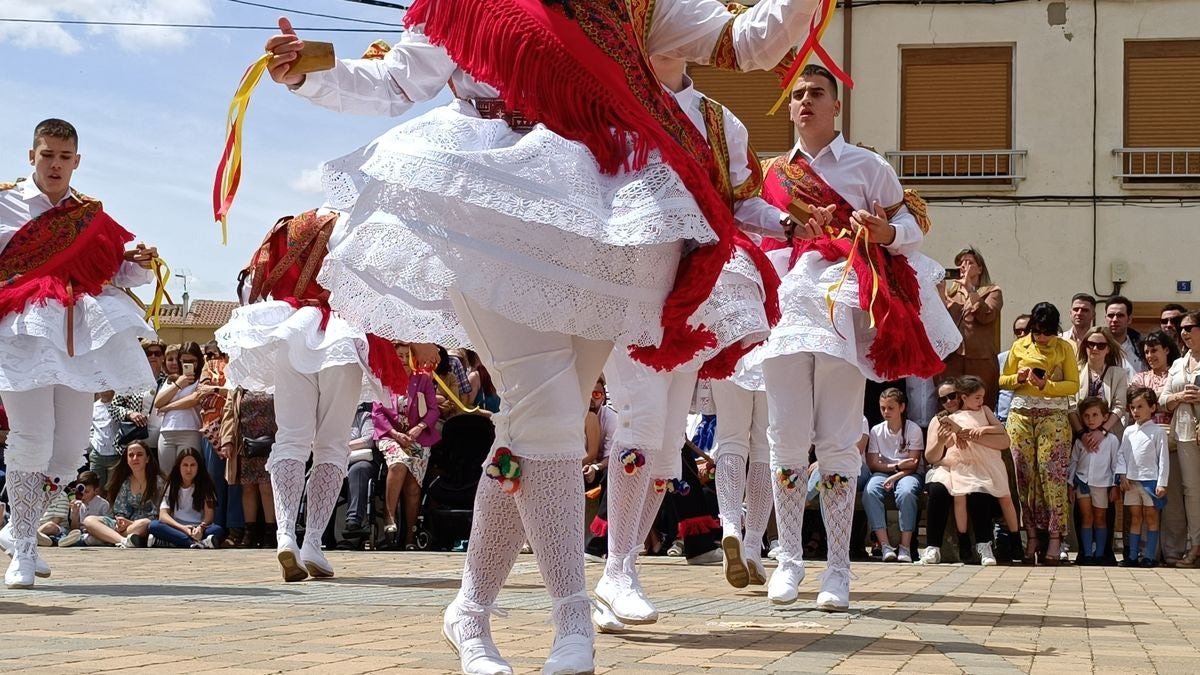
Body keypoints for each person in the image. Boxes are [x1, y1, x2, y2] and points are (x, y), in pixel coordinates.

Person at [264, 2, 824, 670]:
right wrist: (308, 75)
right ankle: (571, 623)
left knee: (528, 430)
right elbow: (395, 82)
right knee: (549, 412)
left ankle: (469, 611)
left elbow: (745, 42)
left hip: (598, 206)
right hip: (485, 192)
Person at [748, 63, 958, 609]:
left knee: (839, 435)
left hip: (843, 301)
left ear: (836, 106)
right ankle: (788, 559)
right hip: (787, 303)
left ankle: (838, 570)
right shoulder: (771, 173)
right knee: (785, 435)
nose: (806, 102)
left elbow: (910, 229)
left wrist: (886, 231)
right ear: (789, 107)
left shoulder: (869, 166)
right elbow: (749, 230)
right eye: (797, 95)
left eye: (817, 93)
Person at [593, 53, 780, 631]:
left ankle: (617, 572)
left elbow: (740, 201)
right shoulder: (612, 99)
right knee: (642, 423)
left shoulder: (720, 121)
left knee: (668, 443)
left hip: (693, 287)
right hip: (629, 282)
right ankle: (617, 571)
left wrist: (792, 223)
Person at [0, 119, 158, 587]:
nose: (55, 165)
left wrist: (139, 261)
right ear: (32, 155)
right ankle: (25, 547)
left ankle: (17, 526)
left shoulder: (89, 216)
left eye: (65, 158)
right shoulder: (4, 203)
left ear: (77, 162)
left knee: (69, 449)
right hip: (21, 331)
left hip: (73, 334)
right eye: (48, 155)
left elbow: (114, 271)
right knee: (32, 435)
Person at [215, 207, 408, 582]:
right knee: (332, 444)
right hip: (342, 337)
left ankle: (286, 533)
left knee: (290, 439)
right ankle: (314, 542)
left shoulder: (290, 226)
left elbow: (251, 284)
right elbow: (381, 292)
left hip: (295, 332)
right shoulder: (364, 226)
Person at [999, 302, 1079, 565]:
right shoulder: (1020, 345)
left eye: (1047, 332)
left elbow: (1073, 385)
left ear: (1055, 329)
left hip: (1053, 416)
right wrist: (1019, 379)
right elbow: (1002, 379)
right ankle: (1031, 535)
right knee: (1023, 474)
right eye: (1037, 332)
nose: (1042, 338)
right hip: (1021, 415)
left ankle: (1055, 537)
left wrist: (1046, 384)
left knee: (1052, 473)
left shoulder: (1064, 347)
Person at [935, 376, 1020, 565]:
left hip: (990, 462)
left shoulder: (985, 411)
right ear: (964, 397)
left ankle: (1016, 540)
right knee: (961, 497)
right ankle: (965, 539)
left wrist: (984, 430)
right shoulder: (954, 418)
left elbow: (1000, 430)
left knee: (1005, 498)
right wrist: (956, 436)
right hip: (968, 463)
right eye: (977, 397)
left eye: (982, 397)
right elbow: (952, 440)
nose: (981, 401)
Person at [374, 358, 439, 550]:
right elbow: (377, 412)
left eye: (405, 356)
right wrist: (395, 434)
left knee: (413, 486)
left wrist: (419, 428)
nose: (401, 360)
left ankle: (410, 536)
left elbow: (433, 410)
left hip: (417, 437)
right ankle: (389, 516)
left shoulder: (423, 380)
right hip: (391, 435)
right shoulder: (384, 379)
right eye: (397, 355)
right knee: (399, 464)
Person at [1131, 330, 1181, 562]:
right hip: (1146, 451)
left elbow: (1150, 404)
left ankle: (1172, 552)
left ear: (1167, 350)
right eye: (1147, 351)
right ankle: (1146, 552)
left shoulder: (1178, 373)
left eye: (1155, 350)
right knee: (1144, 504)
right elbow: (1137, 401)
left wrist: (1162, 401)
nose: (1150, 355)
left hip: (1175, 443)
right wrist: (1171, 400)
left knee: (1172, 502)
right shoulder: (1140, 378)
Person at [862, 388, 924, 563]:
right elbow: (873, 463)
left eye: (891, 408)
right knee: (870, 491)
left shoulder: (913, 429)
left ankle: (905, 547)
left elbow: (913, 463)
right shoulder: (876, 430)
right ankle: (885, 546)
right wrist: (895, 466)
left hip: (907, 474)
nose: (886, 412)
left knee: (906, 492)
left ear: (902, 407)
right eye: (883, 408)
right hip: (886, 471)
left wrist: (895, 475)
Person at [941, 247, 1003, 408]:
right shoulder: (951, 294)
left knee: (980, 405)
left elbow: (987, 315)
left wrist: (970, 289)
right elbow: (941, 319)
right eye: (961, 263)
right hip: (953, 358)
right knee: (951, 404)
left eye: (969, 262)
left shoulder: (992, 291)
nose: (963, 266)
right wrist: (940, 292)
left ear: (980, 268)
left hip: (980, 360)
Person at [1161, 310, 1200, 567]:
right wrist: (1179, 398)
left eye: (1189, 327)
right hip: (1183, 433)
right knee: (1190, 491)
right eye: (1182, 329)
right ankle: (1195, 546)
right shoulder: (1177, 364)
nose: (1184, 332)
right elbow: (1162, 401)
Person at [219, 387, 278, 549]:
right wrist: (227, 441)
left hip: (271, 442)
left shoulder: (273, 379)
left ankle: (271, 533)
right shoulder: (238, 386)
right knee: (248, 488)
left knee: (267, 487)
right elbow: (229, 413)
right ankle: (249, 532)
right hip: (245, 442)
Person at [1117, 387, 1169, 567]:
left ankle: (1150, 556)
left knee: (1151, 517)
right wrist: (1122, 475)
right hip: (1131, 482)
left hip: (1150, 482)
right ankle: (1132, 555)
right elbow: (1121, 455)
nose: (1136, 411)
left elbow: (1163, 459)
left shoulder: (1158, 432)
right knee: (1135, 517)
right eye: (1133, 407)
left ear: (1152, 407)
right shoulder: (1128, 431)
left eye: (1140, 407)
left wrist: (1162, 483)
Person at [1068, 396, 1120, 565]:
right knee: (1086, 517)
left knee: (1100, 518)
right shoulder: (1080, 441)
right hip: (1083, 483)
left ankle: (1100, 553)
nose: (1091, 420)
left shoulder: (1111, 440)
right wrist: (1070, 484)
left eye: (1095, 415)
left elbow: (1115, 463)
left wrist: (1114, 485)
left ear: (1105, 417)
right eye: (1086, 416)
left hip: (1102, 484)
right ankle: (1087, 553)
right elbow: (1073, 462)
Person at [81, 440, 160, 548]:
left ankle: (106, 537)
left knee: (145, 523)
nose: (135, 458)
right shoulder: (125, 482)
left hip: (144, 525)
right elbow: (120, 512)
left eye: (139, 455)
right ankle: (123, 540)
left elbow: (158, 515)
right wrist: (121, 522)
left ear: (147, 459)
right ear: (127, 460)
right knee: (89, 521)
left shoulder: (158, 482)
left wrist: (130, 523)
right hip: (124, 526)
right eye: (131, 455)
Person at [148, 447, 224, 549]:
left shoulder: (206, 485)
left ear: (198, 466)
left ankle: (175, 542)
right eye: (185, 465)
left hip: (198, 528)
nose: (189, 469)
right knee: (154, 526)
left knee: (217, 530)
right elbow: (163, 515)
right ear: (179, 467)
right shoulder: (171, 485)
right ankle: (195, 543)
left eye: (192, 465)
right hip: (177, 527)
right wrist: (183, 528)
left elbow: (209, 516)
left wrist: (200, 529)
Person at [153, 341, 207, 479]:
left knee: (188, 477)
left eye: (192, 361)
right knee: (166, 476)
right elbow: (158, 402)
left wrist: (168, 407)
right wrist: (179, 383)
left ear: (198, 361)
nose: (188, 364)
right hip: (166, 432)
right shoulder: (172, 380)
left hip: (190, 430)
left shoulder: (202, 378)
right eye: (184, 361)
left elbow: (194, 400)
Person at [1069, 327, 1128, 443]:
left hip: (1110, 436)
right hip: (1078, 436)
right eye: (1091, 344)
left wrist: (1102, 432)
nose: (1095, 348)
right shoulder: (1074, 371)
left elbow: (1119, 407)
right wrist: (1082, 434)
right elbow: (1070, 406)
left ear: (1108, 349)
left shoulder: (1119, 374)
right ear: (1085, 346)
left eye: (1101, 345)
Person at [996, 314, 1032, 425]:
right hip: (1004, 419)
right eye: (1018, 331)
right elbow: (995, 389)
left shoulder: (1043, 358)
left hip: (1028, 419)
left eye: (1026, 331)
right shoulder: (1002, 358)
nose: (1022, 335)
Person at [64, 471, 112, 547]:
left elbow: (109, 526)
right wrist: (75, 514)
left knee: (92, 539)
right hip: (81, 535)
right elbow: (74, 529)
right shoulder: (77, 504)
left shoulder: (103, 504)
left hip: (96, 535)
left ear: (96, 491)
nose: (82, 495)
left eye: (86, 492)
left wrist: (93, 530)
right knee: (67, 534)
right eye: (79, 491)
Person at [88, 391, 121, 490]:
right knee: (95, 488)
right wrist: (92, 442)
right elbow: (90, 427)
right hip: (97, 455)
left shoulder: (120, 406)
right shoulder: (93, 407)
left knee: (112, 490)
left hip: (116, 455)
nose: (103, 391)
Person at [1106, 296, 1146, 375]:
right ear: (1105, 318)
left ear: (1129, 319)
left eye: (1120, 315)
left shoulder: (1141, 348)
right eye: (1110, 315)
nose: (1114, 320)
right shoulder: (1097, 346)